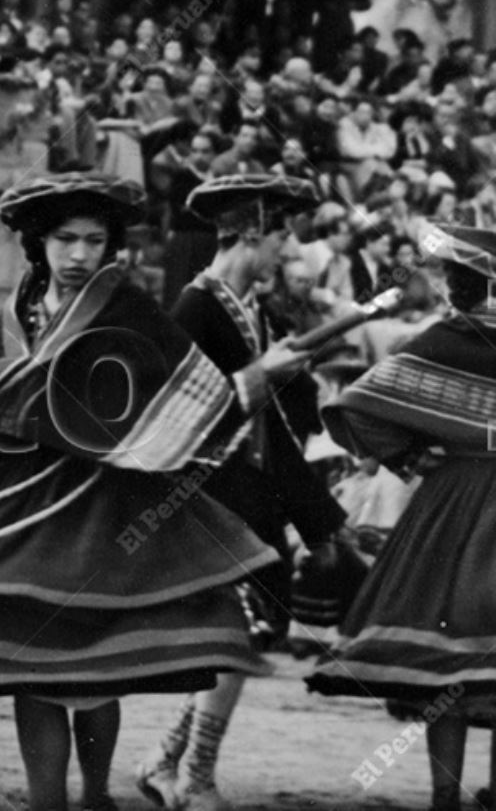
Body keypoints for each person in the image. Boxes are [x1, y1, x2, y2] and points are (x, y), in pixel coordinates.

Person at [0, 173, 281, 811]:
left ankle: (94, 793)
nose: (79, 254)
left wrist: (16, 409)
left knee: (95, 666)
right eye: (64, 239)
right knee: (34, 667)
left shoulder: (129, 308)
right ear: (39, 242)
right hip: (29, 505)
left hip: (106, 505)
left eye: (93, 240)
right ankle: (46, 798)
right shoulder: (17, 312)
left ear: (111, 246)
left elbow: (182, 398)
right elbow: (5, 399)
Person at [135, 174, 347, 811]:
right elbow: (181, 413)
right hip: (205, 495)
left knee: (242, 637)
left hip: (249, 495)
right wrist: (262, 376)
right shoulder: (195, 308)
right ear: (252, 232)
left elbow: (275, 428)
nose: (288, 251)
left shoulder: (250, 307)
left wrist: (319, 523)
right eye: (282, 234)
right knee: (236, 634)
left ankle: (168, 761)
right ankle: (193, 776)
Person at [308, 222, 496, 811]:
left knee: (446, 664)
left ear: (457, 288)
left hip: (453, 498)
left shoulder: (441, 338)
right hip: (471, 495)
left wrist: (414, 459)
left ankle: (446, 796)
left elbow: (357, 405)